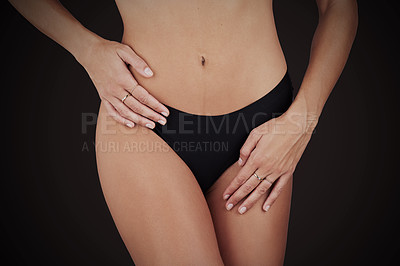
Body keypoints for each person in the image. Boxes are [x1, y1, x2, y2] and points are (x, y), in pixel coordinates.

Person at [9, 0, 358, 265]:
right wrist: (85, 48)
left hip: (260, 127)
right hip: (143, 119)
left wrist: (303, 120)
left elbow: (339, 6)